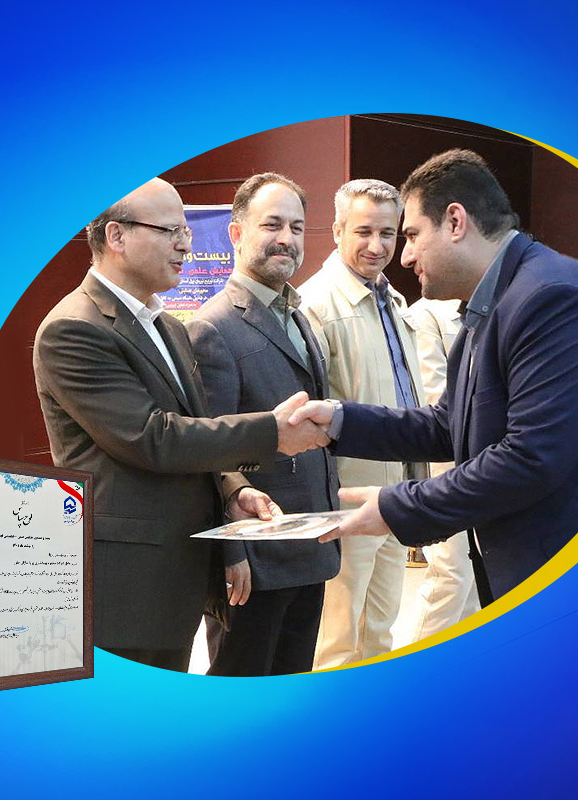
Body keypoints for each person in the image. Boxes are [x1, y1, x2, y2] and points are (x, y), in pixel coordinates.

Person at [291, 149, 578, 604]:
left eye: (411, 235)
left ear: (455, 221)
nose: (404, 256)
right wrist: (338, 421)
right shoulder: (494, 304)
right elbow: (449, 426)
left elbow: (530, 458)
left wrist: (396, 505)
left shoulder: (554, 298)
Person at [33, 177, 327, 672]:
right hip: (125, 582)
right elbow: (153, 438)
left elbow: (194, 426)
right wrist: (272, 432)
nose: (186, 244)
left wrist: (233, 490)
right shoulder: (74, 328)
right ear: (116, 235)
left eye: (186, 230)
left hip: (177, 574)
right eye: (169, 230)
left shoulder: (167, 325)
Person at [187, 173, 341, 676]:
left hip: (310, 547)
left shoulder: (298, 316)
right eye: (272, 224)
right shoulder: (212, 326)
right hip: (256, 564)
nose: (287, 239)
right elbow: (210, 454)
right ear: (235, 233)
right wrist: (231, 553)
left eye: (296, 227)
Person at [297, 179, 428, 667]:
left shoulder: (393, 301)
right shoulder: (315, 305)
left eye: (388, 233)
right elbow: (307, 414)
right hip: (346, 500)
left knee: (381, 627)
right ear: (336, 231)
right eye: (363, 231)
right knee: (336, 635)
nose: (377, 246)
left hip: (395, 492)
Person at [401, 295, 482, 637]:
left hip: (489, 461)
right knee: (451, 572)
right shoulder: (424, 315)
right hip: (450, 462)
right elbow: (433, 396)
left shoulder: (490, 305)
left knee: (477, 573)